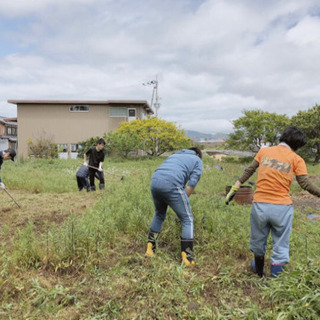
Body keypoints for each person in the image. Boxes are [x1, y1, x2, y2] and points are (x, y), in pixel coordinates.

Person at [225, 126, 320, 278]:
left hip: (260, 206)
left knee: (258, 240)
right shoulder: (297, 159)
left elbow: (249, 170)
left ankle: (259, 272)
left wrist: (236, 186)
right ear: (297, 145)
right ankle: (275, 281)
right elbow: (305, 184)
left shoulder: (264, 151)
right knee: (281, 244)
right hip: (282, 208)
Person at [145, 147, 203, 267]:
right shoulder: (197, 160)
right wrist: (180, 202)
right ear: (198, 154)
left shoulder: (174, 156)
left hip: (155, 182)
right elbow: (192, 183)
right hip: (172, 184)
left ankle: (150, 249)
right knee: (187, 219)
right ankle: (187, 257)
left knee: (159, 214)